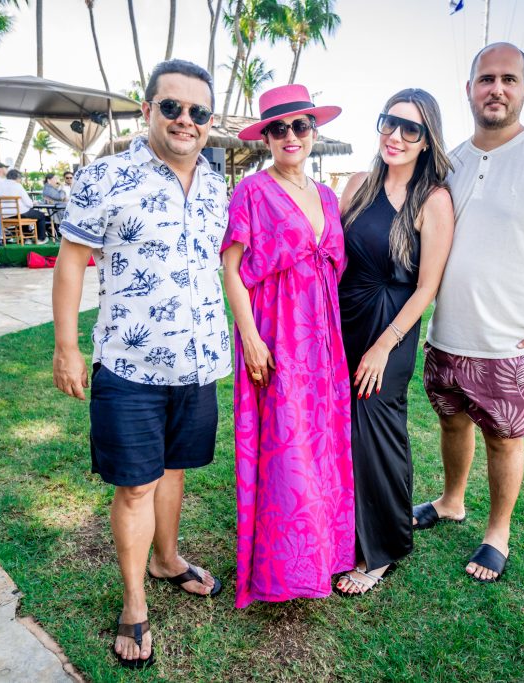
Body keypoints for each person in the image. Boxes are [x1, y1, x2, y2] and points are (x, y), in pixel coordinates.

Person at [52, 59, 229, 670]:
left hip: (198, 362)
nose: (185, 120)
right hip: (129, 365)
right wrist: (67, 347)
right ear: (149, 109)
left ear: (209, 120)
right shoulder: (105, 177)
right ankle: (134, 602)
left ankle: (166, 559)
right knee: (136, 486)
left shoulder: (216, 185)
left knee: (174, 471)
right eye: (172, 107)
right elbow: (71, 261)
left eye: (198, 111)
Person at [414, 43, 524, 583]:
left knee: (503, 438)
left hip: (510, 343)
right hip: (446, 334)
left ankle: (497, 532)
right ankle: (451, 501)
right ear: (469, 89)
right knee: (452, 423)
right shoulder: (448, 163)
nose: (496, 88)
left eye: (508, 79)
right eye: (486, 79)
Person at [221, 84, 355, 609]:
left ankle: (322, 554)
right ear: (267, 138)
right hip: (275, 334)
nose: (290, 136)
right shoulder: (252, 191)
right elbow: (231, 269)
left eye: (300, 125)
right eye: (279, 129)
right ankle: (282, 568)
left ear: (313, 132)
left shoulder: (327, 196)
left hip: (322, 339)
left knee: (321, 444)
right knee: (285, 446)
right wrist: (251, 339)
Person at [334, 90, 455, 595]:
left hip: (392, 327)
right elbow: (330, 253)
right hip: (344, 318)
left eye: (412, 129)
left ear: (427, 141)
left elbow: (427, 287)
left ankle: (382, 550)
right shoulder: (357, 185)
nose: (397, 136)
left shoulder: (434, 200)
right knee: (340, 429)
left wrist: (384, 345)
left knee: (376, 430)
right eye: (390, 122)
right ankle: (341, 534)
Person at [0, 169, 49, 243]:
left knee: (25, 214)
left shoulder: (0, 186)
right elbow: (29, 204)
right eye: (20, 178)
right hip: (19, 213)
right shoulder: (17, 186)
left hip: (5, 215)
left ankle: (27, 238)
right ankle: (41, 239)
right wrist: (33, 203)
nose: (20, 180)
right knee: (41, 215)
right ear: (17, 178)